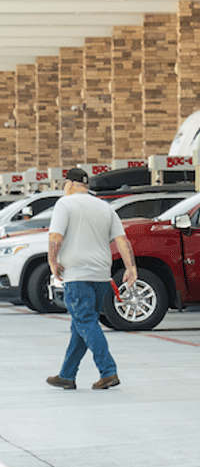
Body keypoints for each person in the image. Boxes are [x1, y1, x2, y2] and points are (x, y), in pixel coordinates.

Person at [46, 167, 138, 390]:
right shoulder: (105, 208)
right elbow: (122, 240)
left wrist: (52, 262)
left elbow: (55, 236)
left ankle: (108, 371)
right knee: (82, 326)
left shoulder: (64, 204)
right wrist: (131, 268)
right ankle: (67, 375)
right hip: (101, 276)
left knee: (86, 322)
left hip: (77, 275)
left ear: (69, 184)